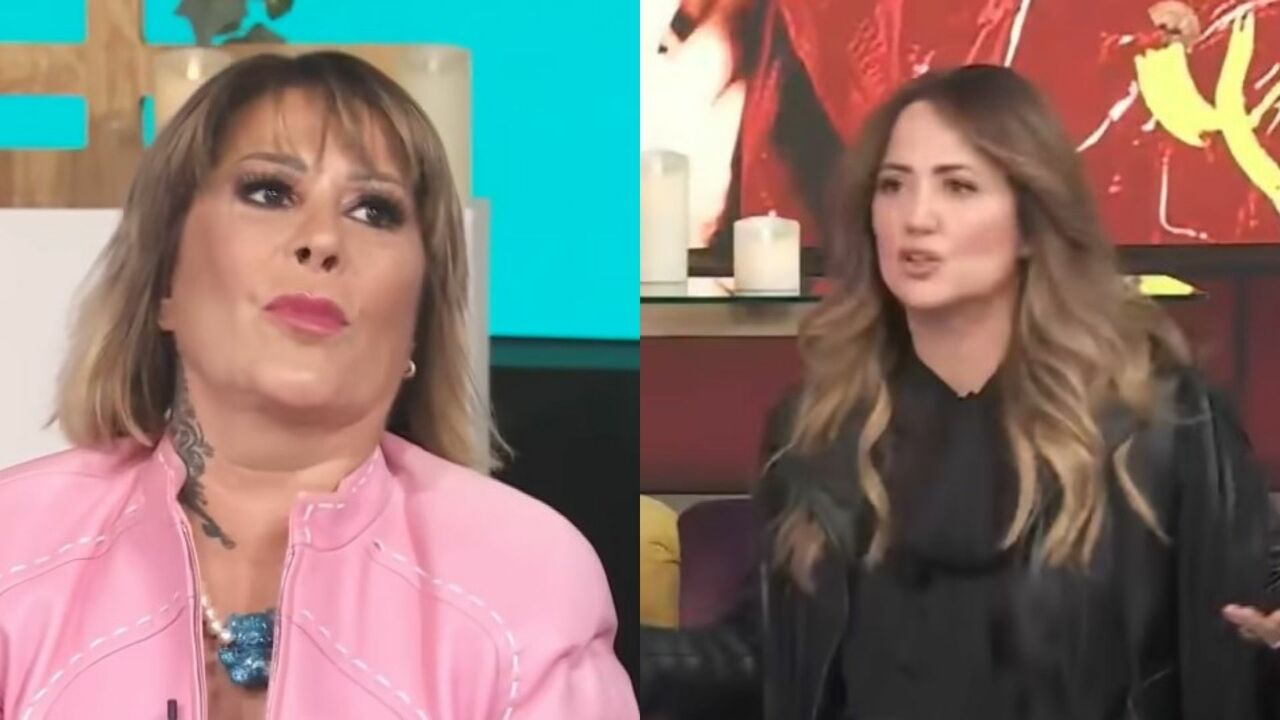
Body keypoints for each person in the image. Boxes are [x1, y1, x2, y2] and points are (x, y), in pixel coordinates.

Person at [0, 51, 638, 719]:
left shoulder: (523, 581)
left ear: (416, 324)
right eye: (269, 193)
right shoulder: (15, 550)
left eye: (374, 210)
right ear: (166, 283)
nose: (322, 240)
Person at [638, 64, 1279, 720]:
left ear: (1030, 223)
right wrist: (600, 649)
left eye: (959, 186)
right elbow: (772, 665)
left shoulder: (1163, 423)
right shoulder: (818, 431)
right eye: (893, 185)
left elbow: (1243, 637)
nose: (916, 218)